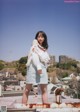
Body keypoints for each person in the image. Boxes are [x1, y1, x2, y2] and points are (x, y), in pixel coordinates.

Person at [22, 31, 50, 105]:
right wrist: (38, 67)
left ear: (44, 38)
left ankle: (46, 108)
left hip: (42, 69)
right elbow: (34, 57)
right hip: (33, 69)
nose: (40, 38)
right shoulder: (34, 46)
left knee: (44, 90)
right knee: (27, 89)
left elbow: (45, 60)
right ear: (36, 38)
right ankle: (22, 108)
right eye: (39, 36)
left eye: (42, 37)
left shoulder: (43, 48)